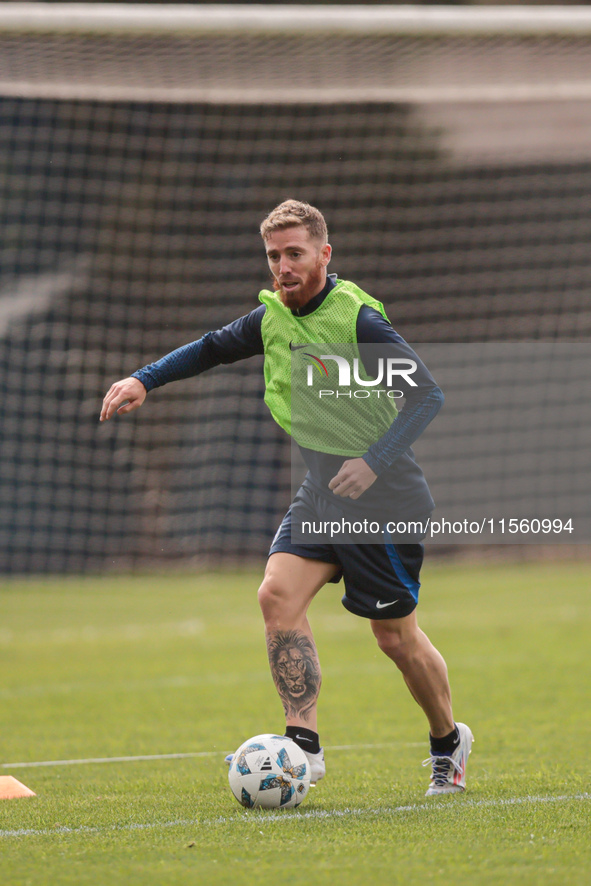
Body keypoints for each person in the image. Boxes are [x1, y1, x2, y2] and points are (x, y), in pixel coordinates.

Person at [100, 199, 473, 796]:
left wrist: (372, 463)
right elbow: (211, 347)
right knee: (276, 594)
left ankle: (448, 742)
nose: (283, 266)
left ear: (325, 254)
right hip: (322, 490)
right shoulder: (271, 314)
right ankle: (303, 747)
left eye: (295, 253)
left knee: (394, 637)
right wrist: (145, 378)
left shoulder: (358, 321)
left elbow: (426, 396)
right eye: (274, 255)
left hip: (383, 498)